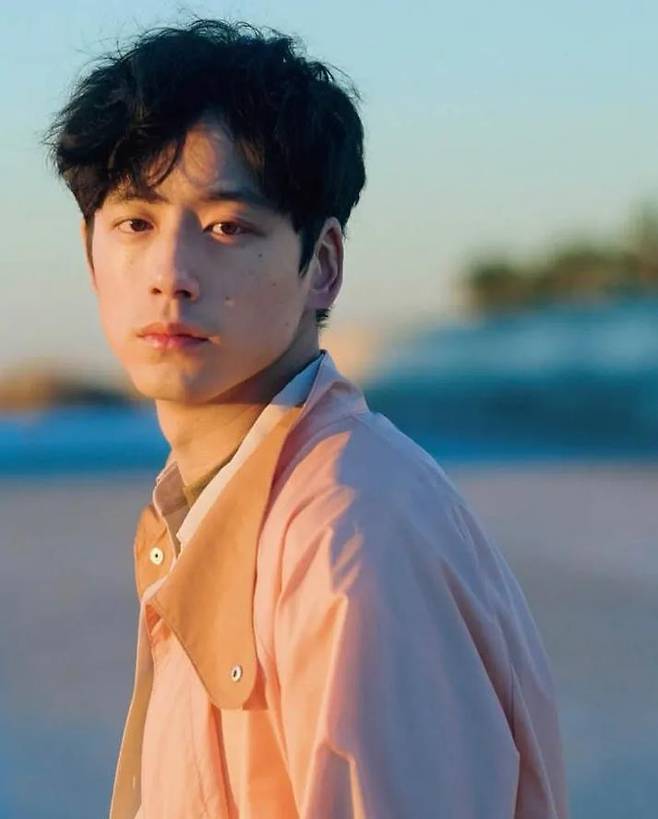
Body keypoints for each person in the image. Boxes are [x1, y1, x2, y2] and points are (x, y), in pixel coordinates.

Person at [46, 18, 568, 819]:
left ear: (322, 265)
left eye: (227, 227)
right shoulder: (218, 501)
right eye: (136, 223)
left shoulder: (348, 538)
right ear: (91, 252)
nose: (171, 273)